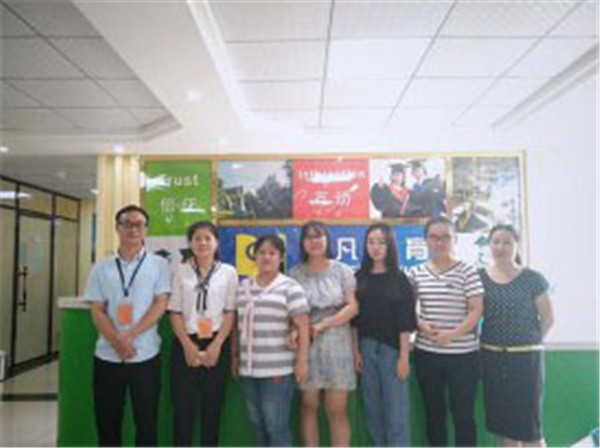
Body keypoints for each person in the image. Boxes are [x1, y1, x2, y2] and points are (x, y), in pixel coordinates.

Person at [83, 205, 171, 446]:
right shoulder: (101, 268)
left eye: (139, 225)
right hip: (107, 357)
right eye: (127, 224)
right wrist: (117, 341)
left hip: (145, 356)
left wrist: (130, 335)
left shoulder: (159, 265)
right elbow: (97, 309)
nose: (133, 229)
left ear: (146, 230)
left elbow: (161, 303)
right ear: (117, 228)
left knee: (147, 423)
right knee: (107, 423)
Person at [409, 216, 484, 447]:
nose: (439, 242)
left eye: (445, 237)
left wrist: (451, 335)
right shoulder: (415, 273)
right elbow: (407, 310)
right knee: (434, 414)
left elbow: (476, 310)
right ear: (425, 240)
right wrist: (421, 324)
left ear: (455, 239)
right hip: (427, 355)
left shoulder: (468, 272)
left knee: (463, 415)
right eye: (433, 237)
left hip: (464, 356)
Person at [479, 224, 554, 447]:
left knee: (531, 428)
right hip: (492, 359)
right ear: (489, 245)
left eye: (507, 242)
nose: (500, 247)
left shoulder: (532, 278)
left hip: (526, 360)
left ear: (516, 246)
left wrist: (528, 341)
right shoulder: (479, 278)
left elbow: (548, 318)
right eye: (496, 242)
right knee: (504, 427)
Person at [234, 234, 310, 447]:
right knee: (257, 424)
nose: (266, 257)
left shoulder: (290, 287)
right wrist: (235, 357)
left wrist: (302, 361)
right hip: (248, 370)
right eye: (261, 253)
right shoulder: (243, 287)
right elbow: (236, 327)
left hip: (278, 370)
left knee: (275, 426)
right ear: (254, 256)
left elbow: (302, 326)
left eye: (272, 253)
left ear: (281, 257)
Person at [168, 221, 238, 446]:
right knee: (183, 412)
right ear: (190, 243)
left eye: (208, 238)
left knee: (212, 411)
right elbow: (175, 311)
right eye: (197, 238)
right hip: (185, 344)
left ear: (216, 242)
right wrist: (188, 346)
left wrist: (216, 346)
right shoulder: (181, 271)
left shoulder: (228, 272)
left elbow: (230, 312)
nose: (202, 243)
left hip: (217, 344)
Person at [291, 221, 359, 447]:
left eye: (318, 236)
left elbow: (353, 307)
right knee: (308, 406)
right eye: (309, 237)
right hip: (306, 345)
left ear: (327, 240)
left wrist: (323, 325)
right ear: (303, 243)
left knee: (336, 409)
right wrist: (294, 330)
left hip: (337, 342)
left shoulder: (342, 270)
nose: (314, 241)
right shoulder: (295, 274)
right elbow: (292, 313)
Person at [353, 223, 417, 446]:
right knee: (373, 413)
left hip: (392, 352)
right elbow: (354, 322)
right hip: (366, 350)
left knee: (396, 414)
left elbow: (406, 322)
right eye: (371, 242)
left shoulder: (399, 279)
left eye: (381, 242)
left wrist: (404, 357)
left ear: (390, 245)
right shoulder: (358, 278)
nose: (376, 247)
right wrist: (356, 352)